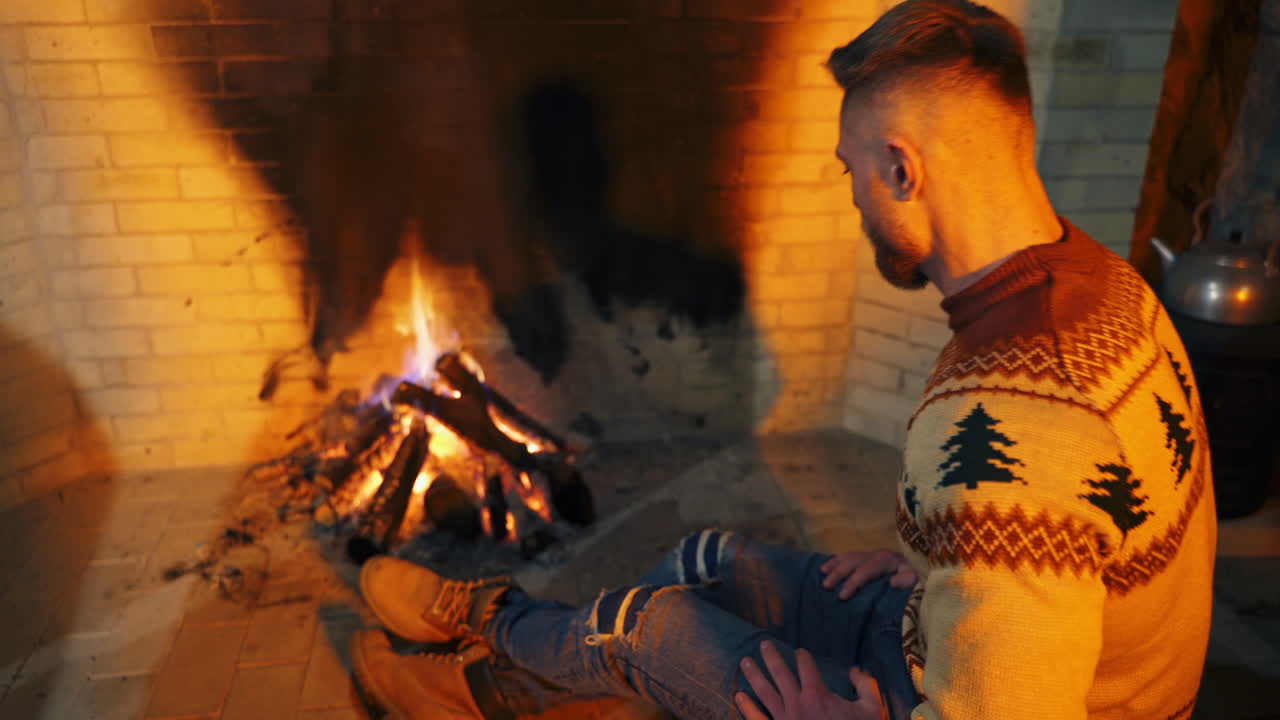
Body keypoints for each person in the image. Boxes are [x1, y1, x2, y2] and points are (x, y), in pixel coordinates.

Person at [350, 1, 1217, 718]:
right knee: (706, 561)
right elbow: (1080, 549)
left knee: (652, 625)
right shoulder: (1105, 285)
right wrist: (945, 573)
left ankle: (486, 654)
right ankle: (560, 683)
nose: (851, 198)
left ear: (903, 171)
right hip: (940, 646)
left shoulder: (1020, 410)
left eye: (852, 174)